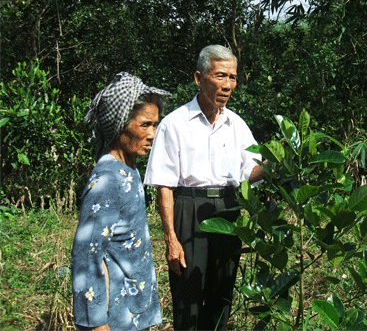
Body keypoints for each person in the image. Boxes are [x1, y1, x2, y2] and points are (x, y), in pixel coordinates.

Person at [144, 45, 264, 331]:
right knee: (189, 298)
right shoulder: (174, 124)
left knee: (221, 295)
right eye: (220, 75)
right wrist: (171, 239)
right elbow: (164, 186)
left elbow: (251, 173)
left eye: (233, 77)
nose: (228, 85)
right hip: (189, 210)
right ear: (199, 78)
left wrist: (278, 163)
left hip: (228, 210)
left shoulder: (236, 125)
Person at [71, 72, 171, 331]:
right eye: (145, 125)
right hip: (114, 319)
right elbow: (86, 255)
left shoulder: (129, 169)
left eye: (155, 124)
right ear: (118, 126)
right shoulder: (107, 181)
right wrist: (96, 324)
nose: (153, 134)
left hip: (133, 309)